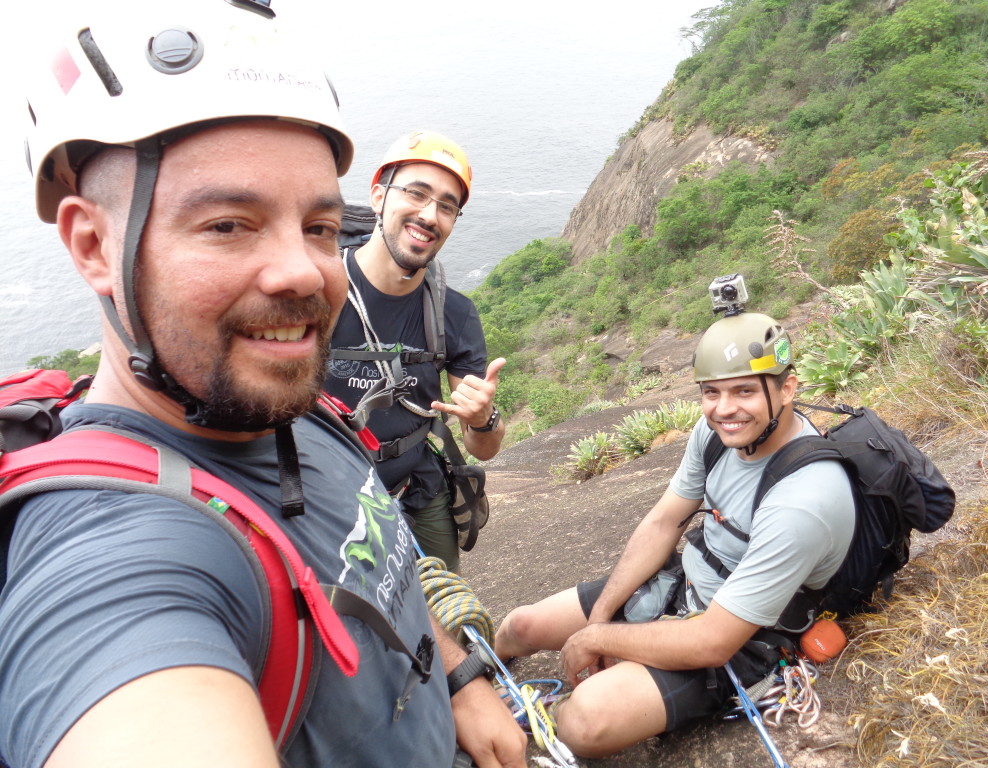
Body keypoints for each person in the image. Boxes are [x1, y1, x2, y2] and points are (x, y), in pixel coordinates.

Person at [0, 3, 525, 768]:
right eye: (228, 224)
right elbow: (131, 676)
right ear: (92, 243)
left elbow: (378, 567)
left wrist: (461, 675)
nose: (301, 272)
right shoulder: (116, 556)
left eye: (316, 226)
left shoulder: (302, 408)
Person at [494, 309, 856, 758]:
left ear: (787, 387)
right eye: (712, 393)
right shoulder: (715, 434)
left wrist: (597, 639)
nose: (725, 409)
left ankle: (526, 721)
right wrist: (600, 618)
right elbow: (665, 522)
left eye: (744, 390)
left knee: (583, 720)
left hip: (746, 637)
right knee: (521, 624)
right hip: (686, 585)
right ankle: (483, 679)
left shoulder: (805, 498)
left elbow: (713, 640)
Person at [325, 131, 505, 573]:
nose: (430, 214)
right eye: (417, 193)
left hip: (413, 488)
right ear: (378, 196)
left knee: (447, 615)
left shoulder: (454, 314)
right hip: (326, 492)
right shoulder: (320, 287)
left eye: (447, 206)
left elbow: (483, 448)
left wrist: (483, 418)